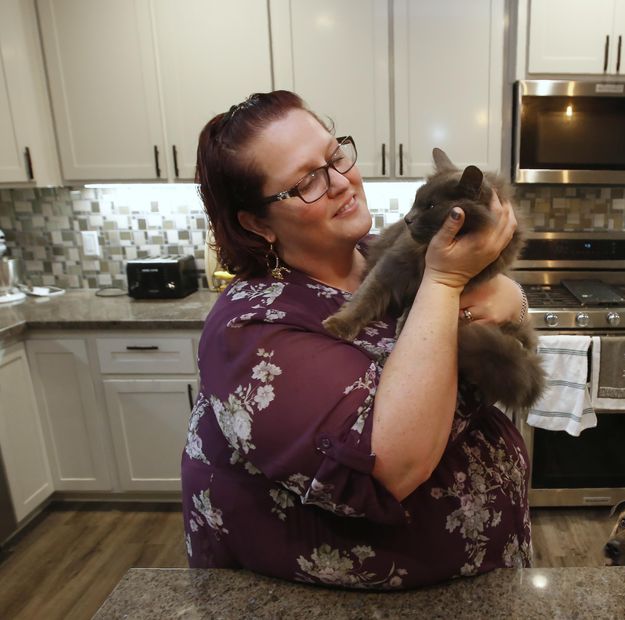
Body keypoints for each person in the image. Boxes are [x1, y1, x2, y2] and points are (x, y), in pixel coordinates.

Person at [182, 90, 532, 589]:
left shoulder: (378, 252)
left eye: (336, 155)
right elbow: (390, 464)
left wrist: (513, 297)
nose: (341, 182)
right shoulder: (251, 328)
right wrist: (447, 282)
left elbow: (496, 304)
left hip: (476, 577)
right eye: (306, 181)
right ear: (257, 222)